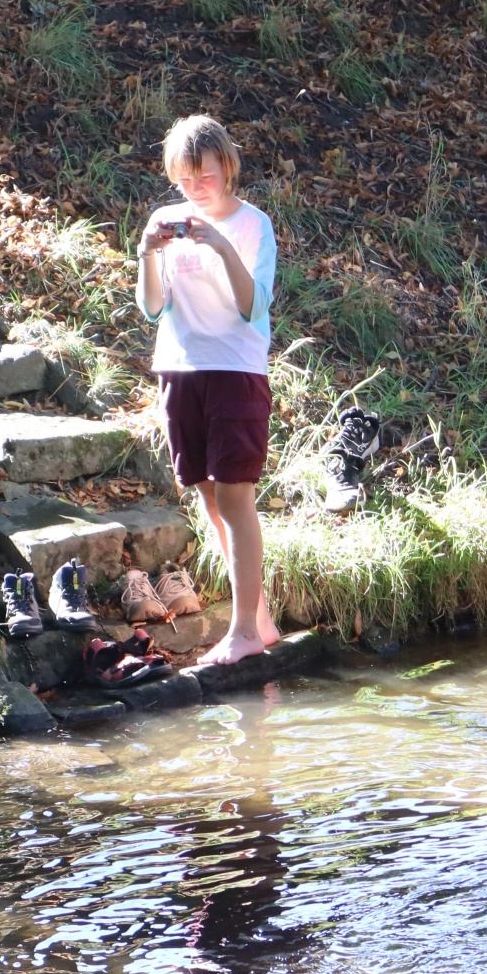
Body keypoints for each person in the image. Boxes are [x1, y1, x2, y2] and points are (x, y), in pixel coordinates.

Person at [136, 115, 281, 665]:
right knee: (208, 495)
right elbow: (152, 308)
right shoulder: (164, 220)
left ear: (228, 167)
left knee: (236, 495)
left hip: (236, 370)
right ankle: (259, 619)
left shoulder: (253, 225)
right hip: (179, 367)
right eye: (184, 179)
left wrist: (220, 245)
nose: (195, 189)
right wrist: (147, 252)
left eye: (206, 176)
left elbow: (253, 306)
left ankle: (243, 631)